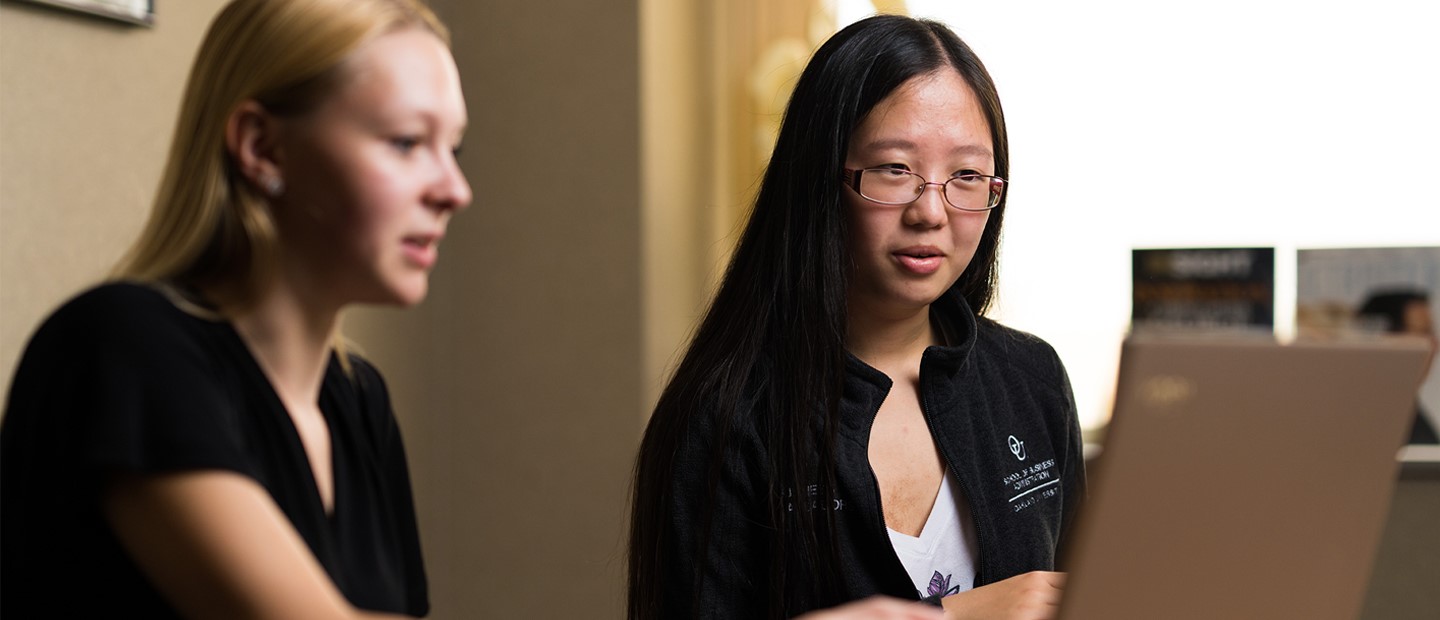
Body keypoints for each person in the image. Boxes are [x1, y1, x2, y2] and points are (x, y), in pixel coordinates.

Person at [0, 0, 470, 617]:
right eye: (407, 143)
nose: (454, 192)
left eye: (453, 148)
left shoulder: (358, 403)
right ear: (261, 147)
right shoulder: (120, 346)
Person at [629, 14, 1084, 620]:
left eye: (967, 176)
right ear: (822, 180)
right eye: (895, 169)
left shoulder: (1032, 378)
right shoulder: (726, 417)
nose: (931, 211)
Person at [1357, 289, 1440, 444]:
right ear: (1382, 337)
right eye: (1423, 332)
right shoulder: (1360, 417)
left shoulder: (1406, 409)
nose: (1435, 345)